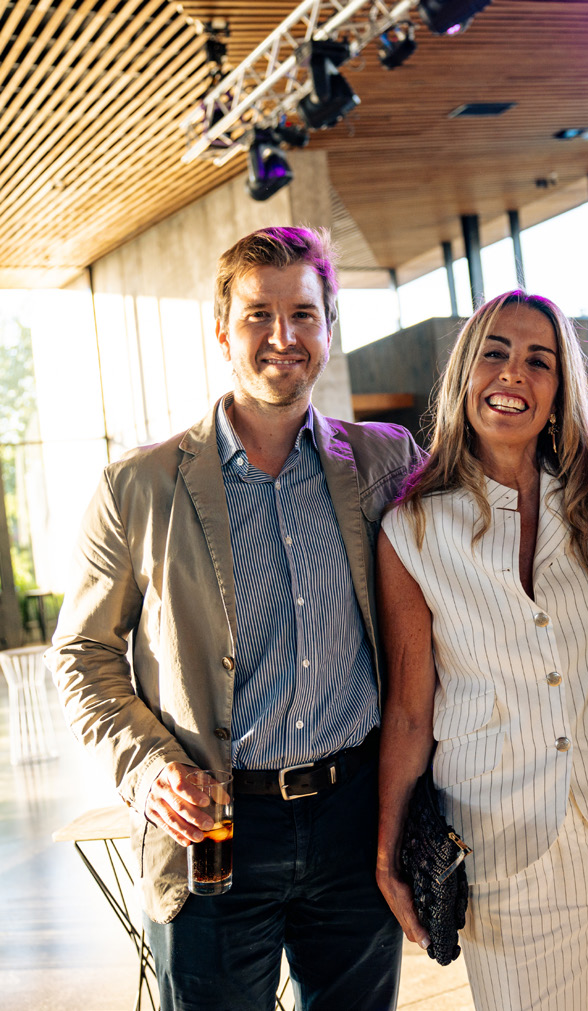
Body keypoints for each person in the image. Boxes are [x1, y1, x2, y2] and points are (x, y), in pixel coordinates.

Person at [47, 226, 421, 1011]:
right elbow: (83, 653)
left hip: (355, 820)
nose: (283, 337)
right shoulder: (137, 486)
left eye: (304, 314)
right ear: (222, 329)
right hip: (213, 831)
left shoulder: (386, 461)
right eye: (258, 314)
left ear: (328, 325)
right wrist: (150, 768)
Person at [375, 290, 588, 1011]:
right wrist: (389, 843)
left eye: (538, 361)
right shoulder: (413, 527)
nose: (513, 374)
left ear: (557, 391)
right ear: (466, 373)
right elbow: (407, 708)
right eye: (495, 352)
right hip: (497, 833)